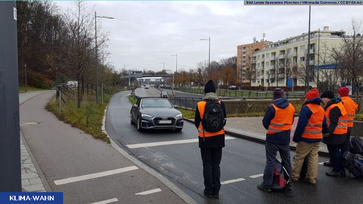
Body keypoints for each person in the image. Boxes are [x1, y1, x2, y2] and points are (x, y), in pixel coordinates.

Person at [257, 88, 295, 192]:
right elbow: (291, 121)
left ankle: (267, 185)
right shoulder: (291, 106)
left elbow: (265, 122)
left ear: (274, 97)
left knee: (270, 161)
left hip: (272, 139)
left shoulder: (272, 107)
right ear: (283, 95)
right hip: (285, 138)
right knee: (287, 161)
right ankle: (288, 183)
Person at [194, 80, 226, 199]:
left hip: (205, 139)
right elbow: (224, 120)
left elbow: (197, 122)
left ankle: (208, 190)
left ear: (205, 92)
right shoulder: (220, 103)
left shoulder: (200, 104)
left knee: (207, 165)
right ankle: (216, 191)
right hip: (219, 138)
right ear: (215, 91)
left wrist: (204, 129)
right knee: (216, 165)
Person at [291, 89, 328, 184]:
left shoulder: (306, 108)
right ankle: (312, 178)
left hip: (306, 138)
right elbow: (324, 124)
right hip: (317, 138)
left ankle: (295, 176)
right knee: (314, 157)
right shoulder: (321, 108)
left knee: (299, 157)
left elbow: (301, 125)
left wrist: (296, 138)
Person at [323, 87, 358, 167]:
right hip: (349, 125)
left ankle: (336, 162)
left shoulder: (341, 102)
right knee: (345, 145)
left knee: (335, 147)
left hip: (340, 126)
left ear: (340, 93)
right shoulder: (352, 102)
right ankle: (345, 161)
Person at [320, 90, 348, 177]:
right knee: (336, 151)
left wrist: (328, 132)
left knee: (334, 151)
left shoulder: (334, 107)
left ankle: (337, 170)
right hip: (341, 132)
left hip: (335, 133)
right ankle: (341, 169)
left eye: (323, 98)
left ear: (327, 98)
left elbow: (333, 122)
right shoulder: (338, 104)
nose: (322, 100)